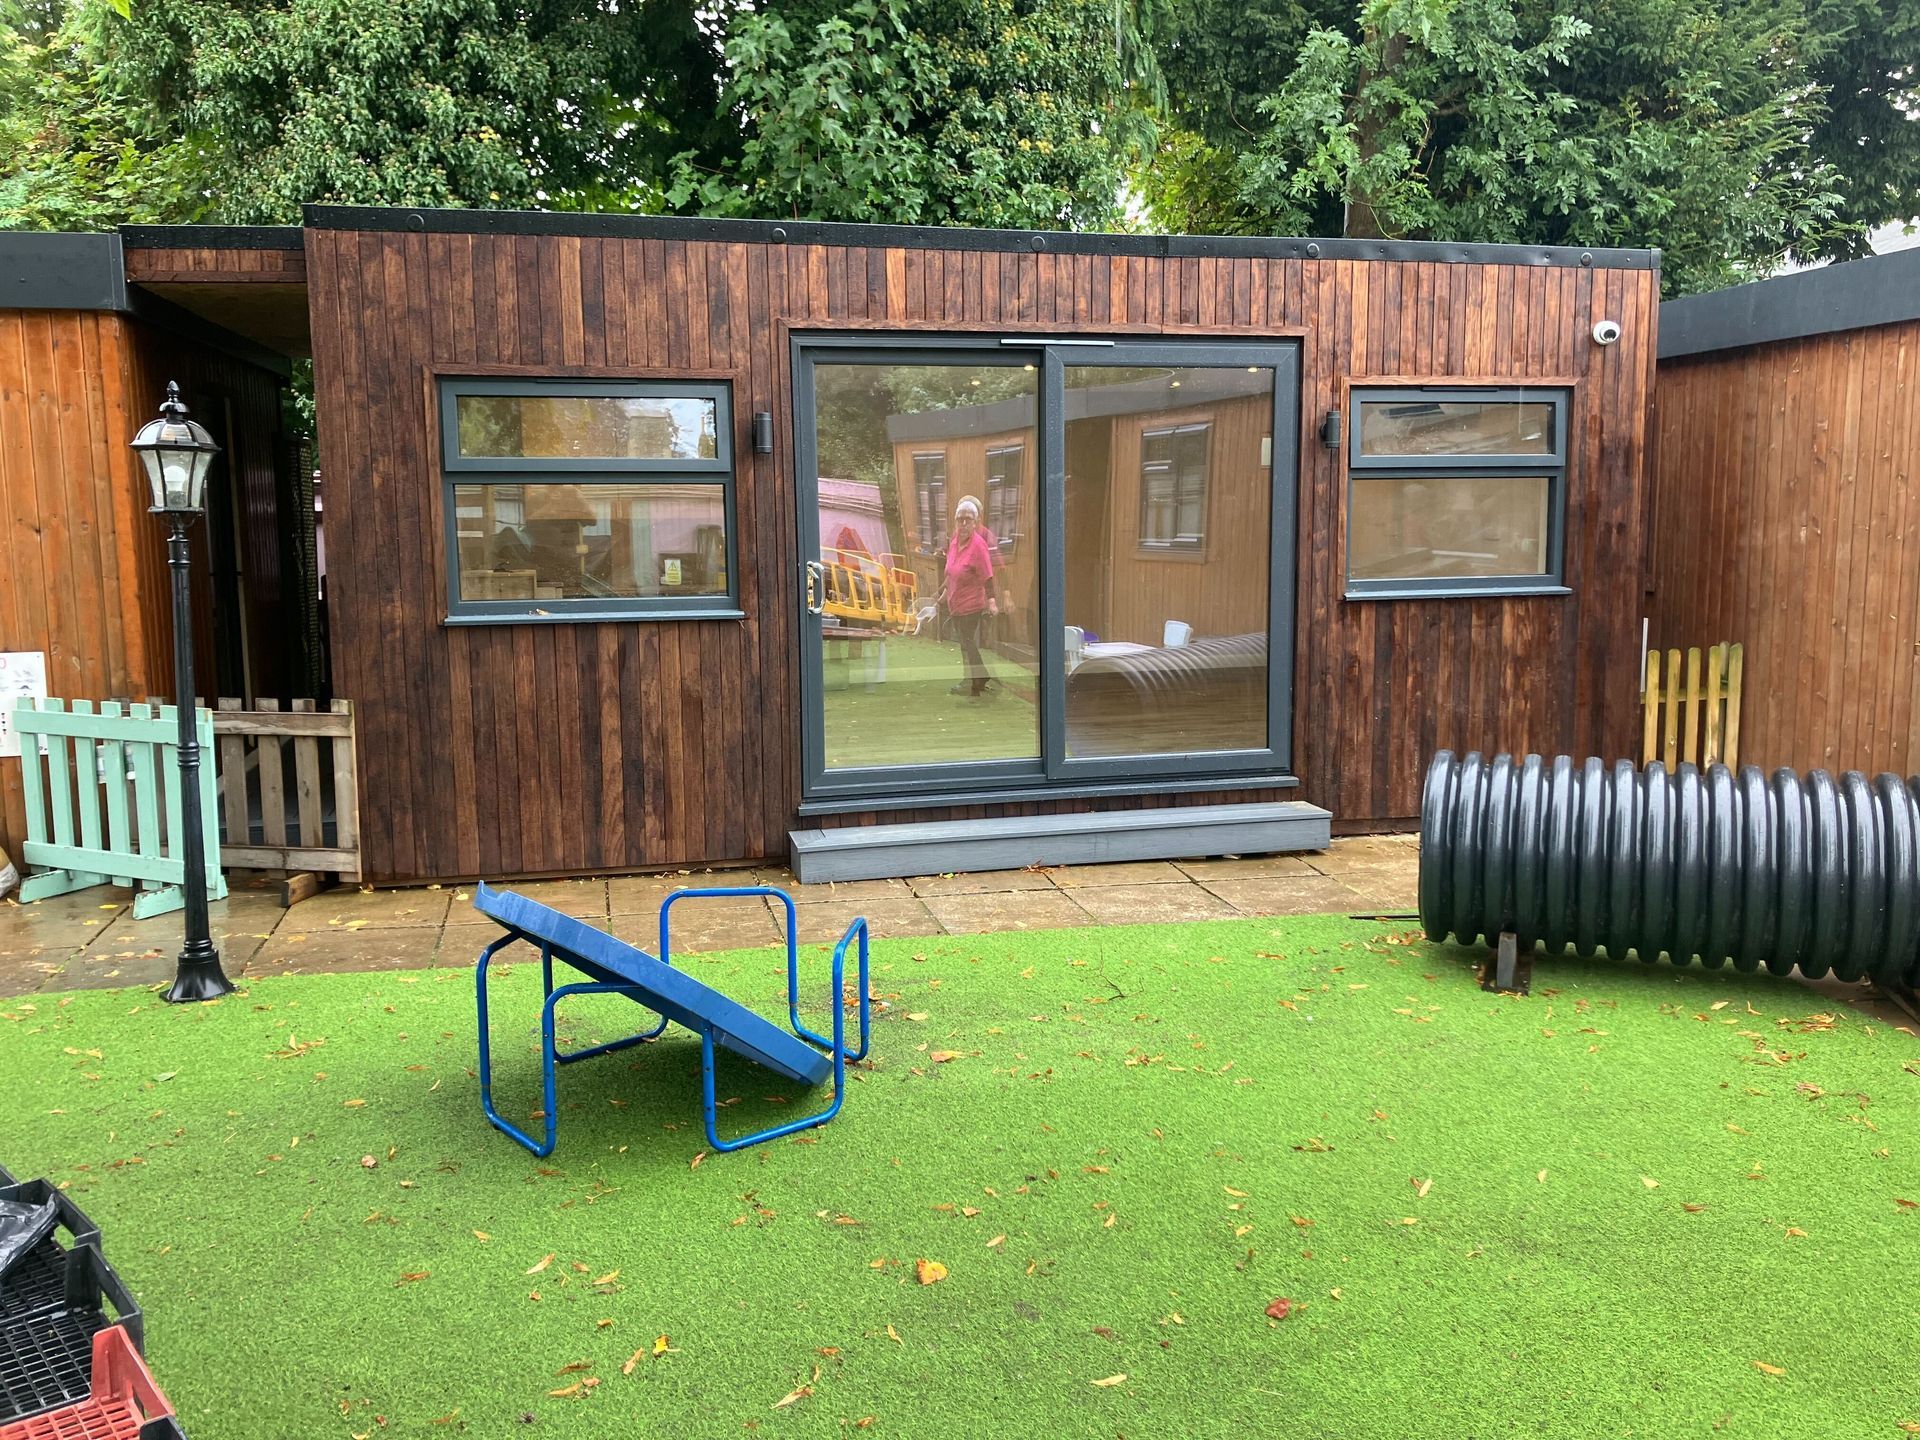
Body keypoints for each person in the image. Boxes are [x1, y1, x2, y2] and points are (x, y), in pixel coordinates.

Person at [939, 496, 998, 697]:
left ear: (975, 522)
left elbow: (988, 575)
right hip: (955, 602)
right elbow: (951, 572)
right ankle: (979, 679)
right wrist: (943, 593)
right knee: (965, 643)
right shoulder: (954, 542)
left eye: (968, 520)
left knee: (966, 642)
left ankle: (975, 682)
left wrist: (992, 601)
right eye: (960, 519)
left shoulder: (978, 545)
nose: (963, 524)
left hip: (971, 604)